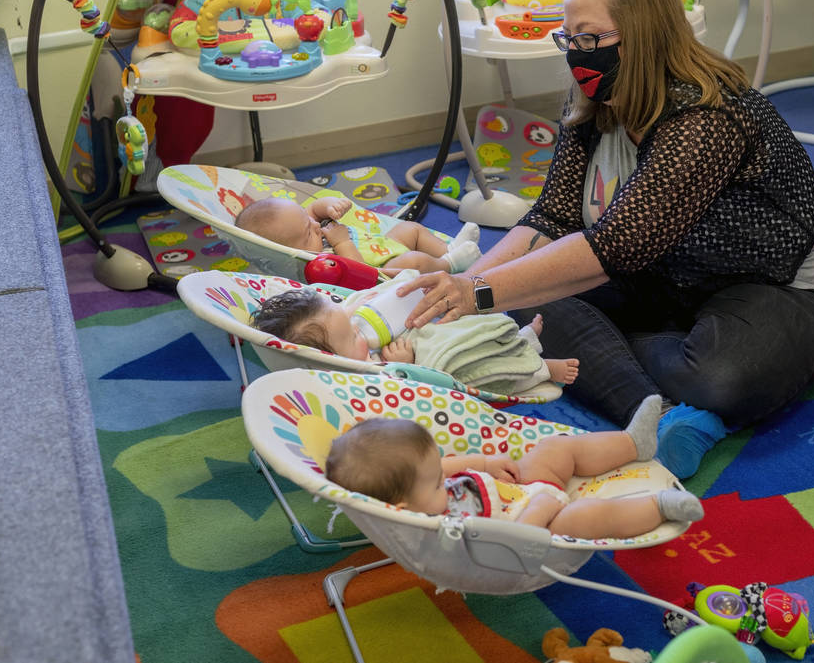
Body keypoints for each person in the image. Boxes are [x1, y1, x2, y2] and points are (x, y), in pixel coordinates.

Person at [395, 0, 814, 479]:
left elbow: (616, 246)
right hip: (659, 278)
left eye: (590, 38)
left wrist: (481, 293)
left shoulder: (707, 117)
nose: (576, 54)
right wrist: (468, 283)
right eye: (568, 37)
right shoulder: (595, 99)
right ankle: (655, 413)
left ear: (644, 36)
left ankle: (641, 370)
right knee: (514, 298)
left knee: (720, 379)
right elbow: (553, 216)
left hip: (778, 286)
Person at [325, 397, 704, 539]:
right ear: (403, 508)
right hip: (535, 520)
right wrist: (541, 509)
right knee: (589, 517)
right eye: (438, 482)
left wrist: (486, 463)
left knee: (554, 449)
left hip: (518, 486)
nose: (445, 476)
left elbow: (445, 464)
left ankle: (632, 443)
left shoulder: (421, 484)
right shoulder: (441, 529)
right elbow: (510, 541)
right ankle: (658, 507)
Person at [250, 287, 581, 391]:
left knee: (444, 321)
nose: (358, 332)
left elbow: (345, 318)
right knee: (478, 374)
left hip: (413, 340)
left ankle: (511, 336)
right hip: (428, 372)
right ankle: (536, 365)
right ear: (332, 359)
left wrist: (354, 311)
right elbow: (411, 390)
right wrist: (402, 367)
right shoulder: (362, 376)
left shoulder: (339, 343)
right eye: (352, 337)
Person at [234, 195, 482, 274]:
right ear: (292, 254)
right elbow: (359, 271)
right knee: (413, 261)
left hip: (381, 245)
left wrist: (329, 205)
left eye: (308, 220)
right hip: (382, 268)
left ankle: (448, 249)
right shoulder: (317, 266)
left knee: (411, 229)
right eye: (308, 232)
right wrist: (341, 242)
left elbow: (313, 210)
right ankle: (450, 264)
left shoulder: (306, 226)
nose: (316, 225)